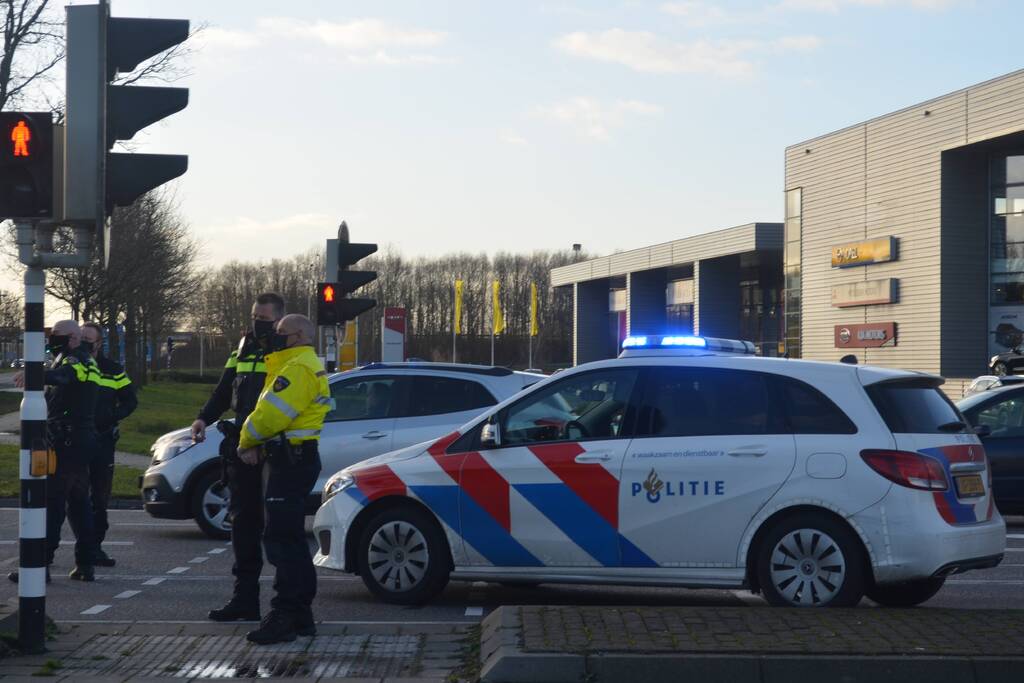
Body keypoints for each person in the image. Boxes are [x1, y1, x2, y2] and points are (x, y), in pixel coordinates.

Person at [237, 314, 330, 645]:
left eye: (281, 332)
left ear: (300, 335)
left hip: (291, 461)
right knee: (290, 538)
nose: (275, 336)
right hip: (293, 458)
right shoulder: (292, 363)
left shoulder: (298, 368)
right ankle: (300, 615)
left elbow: (271, 415)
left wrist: (246, 439)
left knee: (280, 539)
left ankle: (285, 615)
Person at [192, 292, 285, 623]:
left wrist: (260, 440)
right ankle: (245, 600)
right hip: (243, 446)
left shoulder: (286, 348)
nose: (257, 323)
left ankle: (284, 609)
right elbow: (224, 388)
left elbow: (281, 403)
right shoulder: (243, 346)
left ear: (278, 319)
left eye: (263, 318)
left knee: (277, 530)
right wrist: (203, 417)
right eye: (254, 316)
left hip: (272, 448)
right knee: (243, 525)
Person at [9, 320, 100, 583]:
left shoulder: (76, 360)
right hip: (79, 441)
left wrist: (35, 375)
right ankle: (85, 563)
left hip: (68, 442)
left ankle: (40, 565)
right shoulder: (81, 359)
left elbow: (63, 378)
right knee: (80, 504)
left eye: (56, 335)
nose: (51, 339)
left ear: (72, 337)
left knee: (53, 503)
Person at [71, 322, 138, 567]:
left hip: (102, 440)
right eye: (81, 338)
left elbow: (130, 401)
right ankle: (81, 548)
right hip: (75, 441)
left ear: (99, 343)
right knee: (74, 496)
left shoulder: (112, 370)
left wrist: (109, 418)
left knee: (99, 497)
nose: (84, 342)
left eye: (89, 339)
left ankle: (95, 548)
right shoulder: (71, 365)